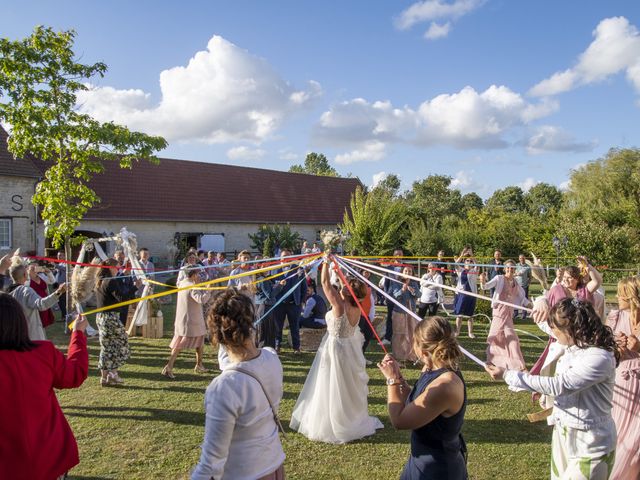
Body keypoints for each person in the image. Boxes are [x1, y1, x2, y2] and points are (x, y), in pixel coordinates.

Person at [487, 299, 618, 480]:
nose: (552, 333)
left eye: (555, 329)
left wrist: (507, 375)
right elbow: (544, 321)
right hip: (564, 432)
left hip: (592, 441)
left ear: (571, 329)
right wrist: (541, 301)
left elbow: (560, 385)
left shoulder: (599, 357)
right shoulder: (572, 343)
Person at [191, 288, 285, 479]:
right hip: (275, 466)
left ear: (216, 335)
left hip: (246, 473)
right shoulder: (272, 357)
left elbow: (211, 463)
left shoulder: (224, 387)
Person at [290, 260, 383, 443]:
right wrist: (338, 270)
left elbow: (325, 284)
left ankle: (335, 422)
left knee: (332, 383)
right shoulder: (356, 307)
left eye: (345, 285)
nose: (342, 286)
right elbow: (340, 285)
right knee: (347, 385)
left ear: (348, 291)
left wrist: (325, 262)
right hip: (351, 348)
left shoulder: (339, 306)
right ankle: (350, 416)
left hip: (336, 348)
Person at [0, 293, 89, 480]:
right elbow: (74, 374)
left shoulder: (44, 352)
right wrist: (78, 335)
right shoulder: (42, 353)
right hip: (49, 457)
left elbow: (73, 375)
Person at [378, 316, 467, 479]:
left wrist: (391, 381)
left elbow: (399, 421)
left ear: (424, 351)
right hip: (421, 458)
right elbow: (416, 398)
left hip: (436, 468)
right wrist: (399, 378)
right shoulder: (431, 366)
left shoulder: (445, 386)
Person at [605, 277, 640, 479]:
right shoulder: (615, 317)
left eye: (621, 293)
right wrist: (616, 346)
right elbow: (603, 351)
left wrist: (638, 347)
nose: (617, 296)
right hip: (623, 380)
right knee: (621, 432)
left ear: (631, 296)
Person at [479, 260, 531, 371]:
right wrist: (482, 281)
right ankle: (492, 359)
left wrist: (531, 306)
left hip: (508, 314)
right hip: (498, 312)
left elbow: (522, 298)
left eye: (512, 268)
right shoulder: (499, 278)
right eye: (508, 268)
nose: (510, 270)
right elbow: (486, 287)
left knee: (512, 338)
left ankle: (519, 365)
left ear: (514, 270)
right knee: (495, 337)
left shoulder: (516, 283)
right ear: (504, 268)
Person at [162, 267, 211, 379]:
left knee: (200, 342)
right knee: (179, 345)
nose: (199, 276)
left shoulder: (183, 283)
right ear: (193, 275)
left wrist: (198, 286)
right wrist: (208, 291)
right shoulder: (192, 286)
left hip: (185, 319)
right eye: (197, 274)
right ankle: (168, 367)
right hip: (191, 321)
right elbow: (201, 299)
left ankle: (199, 365)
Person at [94, 258, 132, 386]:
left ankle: (105, 378)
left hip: (101, 317)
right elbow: (122, 298)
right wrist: (133, 286)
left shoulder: (101, 280)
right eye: (118, 267)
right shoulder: (110, 281)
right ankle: (113, 374)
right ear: (111, 267)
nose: (119, 269)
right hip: (110, 318)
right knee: (120, 343)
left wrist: (125, 276)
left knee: (107, 347)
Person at [7, 263, 66, 341]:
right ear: (25, 274)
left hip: (17, 334)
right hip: (30, 334)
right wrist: (59, 292)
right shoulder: (26, 290)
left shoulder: (8, 293)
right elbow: (41, 304)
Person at [272, 249, 306, 354]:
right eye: (284, 256)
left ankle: (296, 348)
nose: (286, 258)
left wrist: (300, 301)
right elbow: (272, 287)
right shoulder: (274, 270)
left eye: (288, 256)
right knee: (278, 326)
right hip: (279, 304)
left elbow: (304, 287)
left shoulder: (298, 270)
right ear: (280, 258)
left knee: (294, 326)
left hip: (294, 304)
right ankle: (277, 346)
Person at [392, 265, 420, 363]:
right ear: (402, 272)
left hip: (411, 311)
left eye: (410, 272)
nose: (407, 273)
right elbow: (395, 295)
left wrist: (414, 292)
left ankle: (411, 355)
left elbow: (419, 294)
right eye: (406, 271)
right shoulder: (397, 282)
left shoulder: (414, 283)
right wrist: (402, 290)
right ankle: (399, 356)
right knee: (399, 334)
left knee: (412, 333)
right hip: (400, 311)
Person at [254, 267, 284, 349]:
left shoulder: (262, 279)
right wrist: (280, 286)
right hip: (265, 307)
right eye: (264, 267)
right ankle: (264, 349)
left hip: (262, 306)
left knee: (264, 329)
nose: (267, 269)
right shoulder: (262, 280)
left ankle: (263, 349)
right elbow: (270, 295)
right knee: (265, 330)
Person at [452, 248, 479, 338]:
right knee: (459, 314)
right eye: (467, 260)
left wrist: (472, 256)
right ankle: (457, 332)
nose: (469, 262)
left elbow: (478, 265)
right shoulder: (461, 270)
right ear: (464, 261)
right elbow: (456, 264)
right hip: (461, 294)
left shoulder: (474, 271)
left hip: (471, 294)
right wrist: (462, 254)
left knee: (470, 315)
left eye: (470, 261)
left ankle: (470, 332)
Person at [382, 248, 404, 346]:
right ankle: (387, 337)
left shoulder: (407, 267)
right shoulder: (389, 268)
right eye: (397, 254)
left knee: (402, 317)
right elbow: (386, 282)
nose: (398, 256)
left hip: (403, 296)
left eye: (400, 254)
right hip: (391, 296)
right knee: (390, 316)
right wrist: (386, 294)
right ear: (394, 256)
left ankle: (401, 337)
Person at [27, 260, 56, 329]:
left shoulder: (41, 276)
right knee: (36, 321)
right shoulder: (27, 279)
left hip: (44, 301)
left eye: (36, 266)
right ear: (28, 267)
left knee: (44, 321)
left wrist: (48, 272)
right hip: (34, 302)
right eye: (33, 266)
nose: (35, 268)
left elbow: (52, 281)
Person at [514, 254, 531, 320]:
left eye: (523, 258)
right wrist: (516, 274)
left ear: (525, 259)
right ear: (519, 259)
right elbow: (513, 273)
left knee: (524, 300)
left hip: (524, 286)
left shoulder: (528, 267)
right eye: (520, 258)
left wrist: (528, 283)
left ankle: (524, 314)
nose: (522, 259)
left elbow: (530, 276)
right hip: (517, 285)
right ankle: (515, 313)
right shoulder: (516, 265)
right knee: (515, 299)